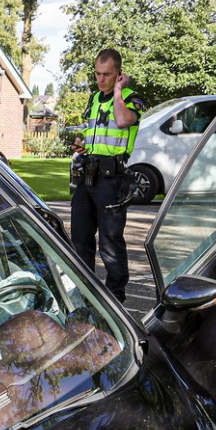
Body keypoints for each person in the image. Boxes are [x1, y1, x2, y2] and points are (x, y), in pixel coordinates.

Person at [69, 48, 145, 302]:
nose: (101, 79)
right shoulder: (93, 99)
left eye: (107, 75)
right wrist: (83, 146)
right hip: (88, 175)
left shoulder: (132, 98)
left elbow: (123, 121)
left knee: (110, 242)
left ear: (119, 74)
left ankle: (115, 295)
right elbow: (95, 134)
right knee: (80, 238)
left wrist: (118, 92)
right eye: (98, 74)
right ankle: (85, 290)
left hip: (112, 179)